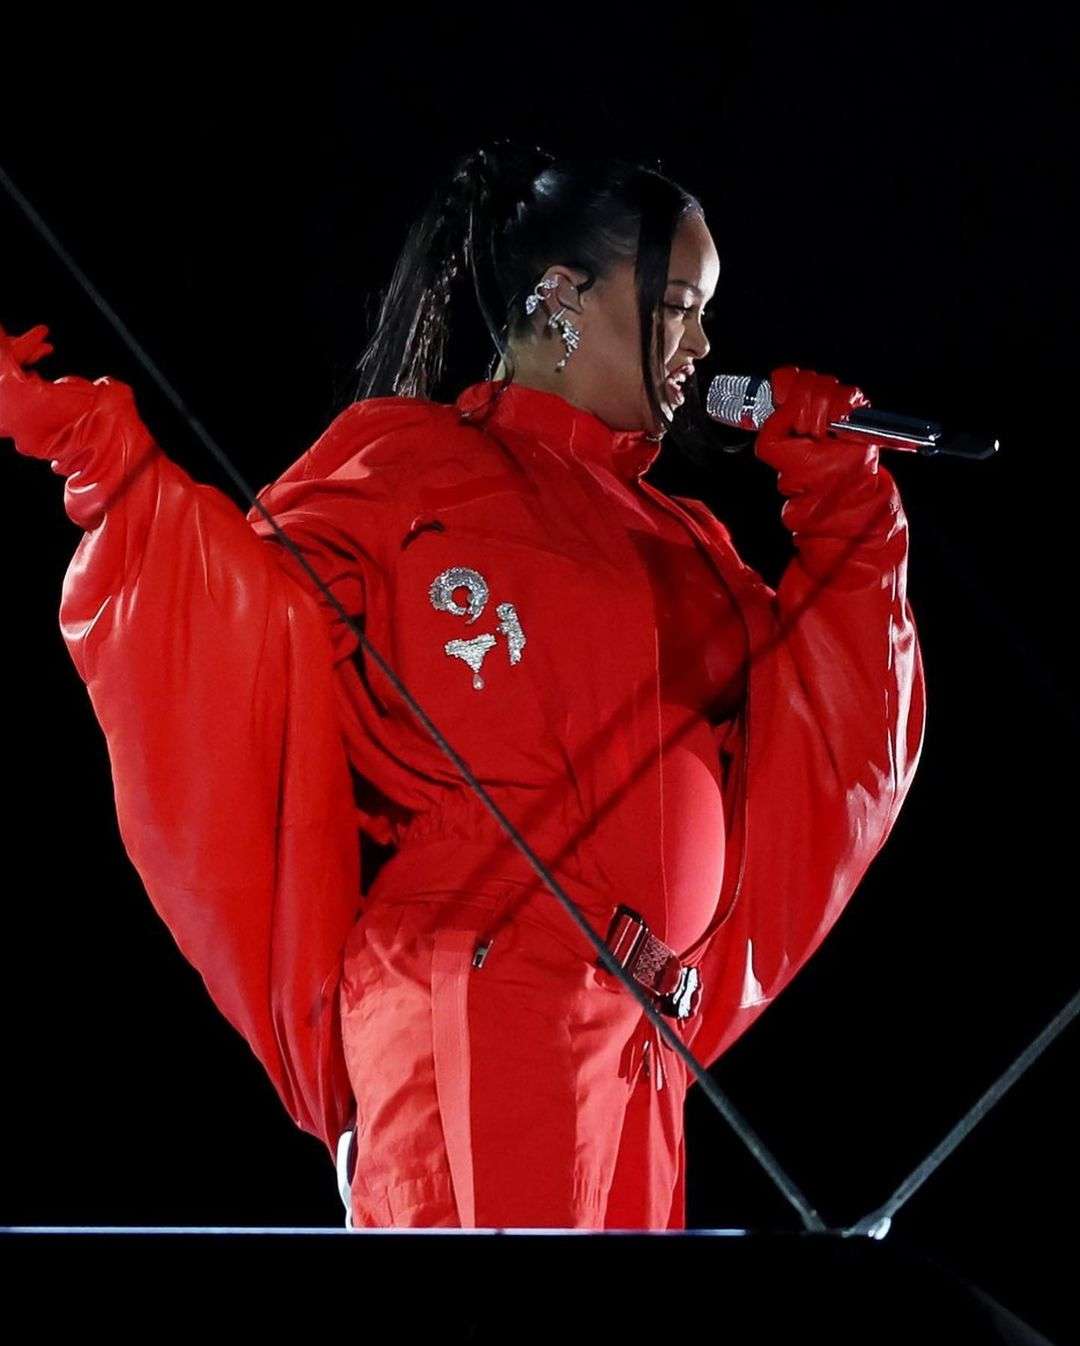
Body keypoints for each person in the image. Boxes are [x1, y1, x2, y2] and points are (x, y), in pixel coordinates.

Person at [0, 140, 926, 1231]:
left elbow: (840, 738)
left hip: (641, 1039)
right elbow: (234, 635)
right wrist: (111, 471)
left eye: (705, 312)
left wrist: (845, 500)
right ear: (561, 295)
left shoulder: (686, 538)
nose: (703, 343)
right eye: (678, 305)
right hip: (481, 995)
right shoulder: (408, 463)